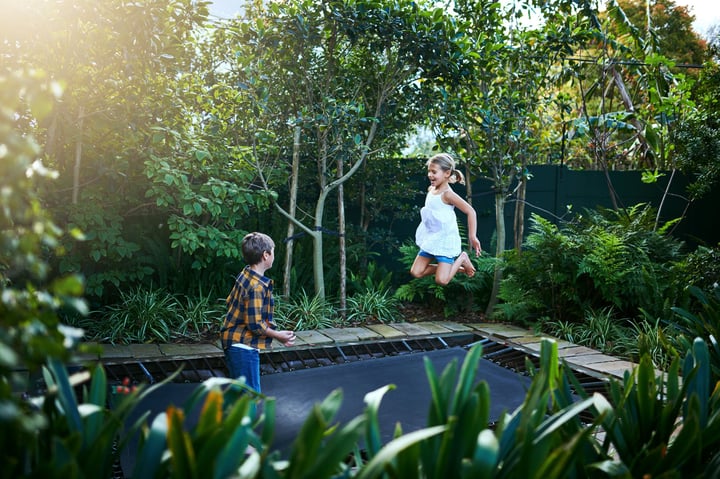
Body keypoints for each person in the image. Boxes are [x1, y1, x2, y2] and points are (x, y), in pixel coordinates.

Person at [220, 232, 296, 393]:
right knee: (249, 397)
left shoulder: (245, 273)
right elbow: (254, 324)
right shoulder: (257, 287)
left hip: (234, 342)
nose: (274, 256)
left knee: (240, 397)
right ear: (266, 255)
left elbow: (230, 301)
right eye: (273, 252)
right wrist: (278, 335)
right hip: (242, 347)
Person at [410, 153, 482, 286]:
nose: (430, 175)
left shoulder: (448, 194)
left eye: (434, 172)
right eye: (429, 171)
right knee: (416, 272)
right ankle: (458, 269)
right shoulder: (431, 189)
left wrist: (473, 236)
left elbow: (470, 211)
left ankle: (463, 258)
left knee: (442, 280)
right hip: (431, 239)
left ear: (447, 173)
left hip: (444, 240)